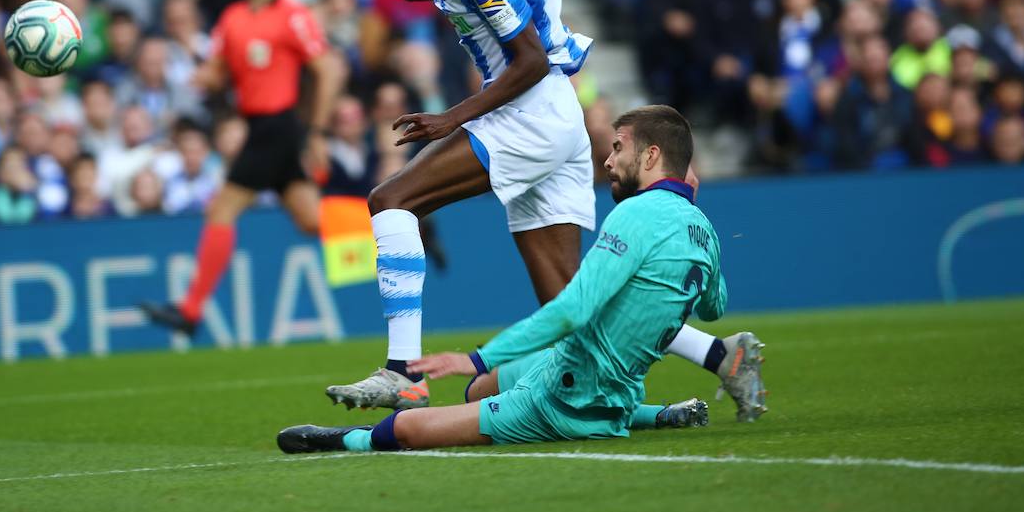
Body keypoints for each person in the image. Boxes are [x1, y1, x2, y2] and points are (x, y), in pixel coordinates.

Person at [322, 0, 763, 420]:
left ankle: (403, 373)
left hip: (529, 112)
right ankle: (719, 356)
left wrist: (451, 118)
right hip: (553, 118)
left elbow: (528, 60)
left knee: (391, 201)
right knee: (568, 300)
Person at [277, 106, 728, 453]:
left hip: (565, 397)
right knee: (481, 389)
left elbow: (571, 309)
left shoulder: (634, 214)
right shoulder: (703, 229)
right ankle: (656, 414)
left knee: (407, 427)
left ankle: (344, 440)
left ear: (651, 155)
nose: (608, 160)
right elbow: (713, 307)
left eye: (618, 149)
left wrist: (475, 357)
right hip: (616, 385)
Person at [139, 0, 344, 334]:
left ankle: (190, 311)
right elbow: (216, 73)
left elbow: (330, 69)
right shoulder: (232, 18)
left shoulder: (293, 15)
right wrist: (199, 71)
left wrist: (318, 132)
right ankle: (401, 228)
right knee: (310, 220)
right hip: (260, 127)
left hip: (278, 126)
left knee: (222, 210)